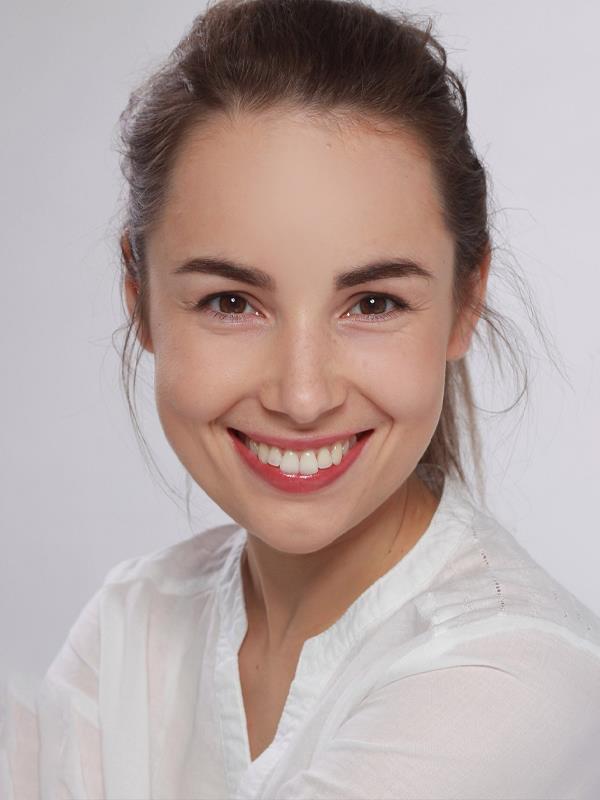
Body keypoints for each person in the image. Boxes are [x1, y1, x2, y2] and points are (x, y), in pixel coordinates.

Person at [2, 0, 599, 797]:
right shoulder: (132, 624)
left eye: (374, 303)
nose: (303, 394)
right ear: (139, 299)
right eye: (231, 302)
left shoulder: (520, 673)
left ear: (466, 301)